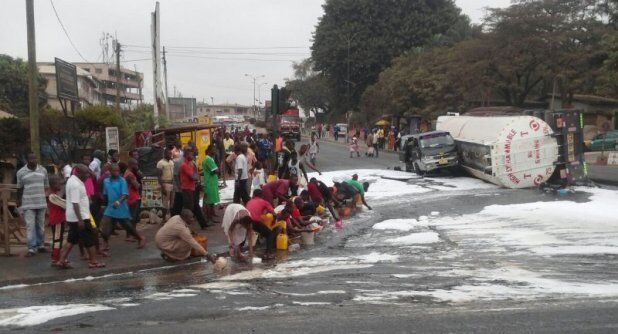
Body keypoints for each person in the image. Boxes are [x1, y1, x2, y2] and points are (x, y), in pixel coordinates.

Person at [57, 164, 104, 269]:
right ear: (78, 173)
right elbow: (75, 203)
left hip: (77, 216)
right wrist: (80, 220)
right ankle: (93, 261)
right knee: (89, 239)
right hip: (80, 217)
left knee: (72, 239)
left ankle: (61, 260)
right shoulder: (75, 184)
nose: (88, 175)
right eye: (85, 173)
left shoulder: (74, 180)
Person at [16, 152, 49, 257]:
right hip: (28, 203)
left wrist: (47, 201)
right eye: (30, 158)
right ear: (27, 160)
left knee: (41, 226)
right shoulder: (21, 172)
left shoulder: (43, 170)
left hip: (41, 202)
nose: (33, 160)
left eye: (35, 158)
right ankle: (31, 248)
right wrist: (19, 203)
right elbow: (19, 188)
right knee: (30, 226)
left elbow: (46, 187)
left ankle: (41, 245)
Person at [245, 189, 277, 259]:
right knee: (270, 234)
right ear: (262, 196)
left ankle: (239, 251)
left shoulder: (249, 201)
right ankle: (268, 254)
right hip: (254, 221)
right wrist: (274, 220)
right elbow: (273, 213)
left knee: (251, 233)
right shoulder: (264, 202)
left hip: (245, 221)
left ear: (253, 195)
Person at [47, 175, 66, 265]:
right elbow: (65, 205)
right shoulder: (52, 196)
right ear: (53, 185)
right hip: (57, 221)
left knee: (59, 238)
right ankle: (56, 257)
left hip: (58, 220)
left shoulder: (54, 194)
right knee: (57, 239)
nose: (60, 186)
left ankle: (56, 256)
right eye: (58, 184)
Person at [202, 146, 220, 225]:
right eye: (214, 149)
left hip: (212, 182)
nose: (215, 151)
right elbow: (216, 170)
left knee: (211, 201)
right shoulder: (208, 160)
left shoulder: (210, 159)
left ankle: (211, 218)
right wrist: (216, 170)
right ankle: (209, 219)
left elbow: (215, 171)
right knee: (209, 202)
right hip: (209, 183)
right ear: (209, 150)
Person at [124, 158, 142, 237]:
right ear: (131, 165)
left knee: (131, 217)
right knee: (132, 217)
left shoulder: (127, 173)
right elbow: (137, 186)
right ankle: (130, 235)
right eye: (136, 165)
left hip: (130, 196)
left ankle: (131, 234)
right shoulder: (130, 174)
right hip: (132, 197)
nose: (137, 166)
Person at [157, 148, 175, 219]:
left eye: (171, 153)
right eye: (169, 153)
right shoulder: (160, 163)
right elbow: (159, 176)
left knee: (172, 202)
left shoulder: (172, 162)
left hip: (172, 183)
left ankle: (171, 218)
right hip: (165, 183)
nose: (170, 155)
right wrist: (162, 187)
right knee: (165, 203)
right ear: (165, 154)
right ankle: (163, 218)